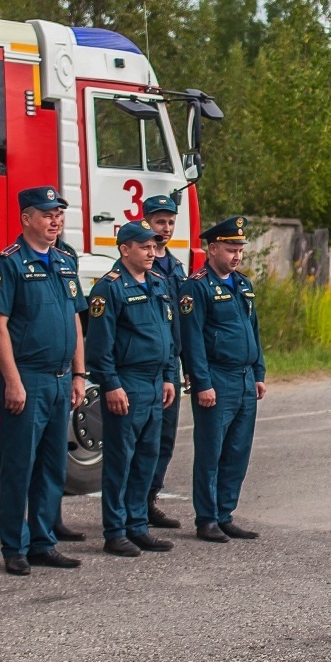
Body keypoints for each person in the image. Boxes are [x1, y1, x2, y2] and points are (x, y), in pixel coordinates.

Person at [0, 187, 88, 576]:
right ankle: (15, 546)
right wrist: (12, 380)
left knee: (52, 466)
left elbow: (76, 320)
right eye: (47, 214)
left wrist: (79, 374)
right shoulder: (6, 264)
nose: (55, 220)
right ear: (27, 219)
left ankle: (44, 541)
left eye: (58, 213)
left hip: (60, 381)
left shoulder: (63, 262)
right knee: (18, 467)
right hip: (26, 379)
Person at [86, 219, 179, 557]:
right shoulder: (109, 288)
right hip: (128, 383)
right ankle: (115, 530)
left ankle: (138, 525)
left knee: (146, 458)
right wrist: (110, 385)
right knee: (120, 460)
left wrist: (170, 375)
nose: (152, 251)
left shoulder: (157, 283)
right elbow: (99, 345)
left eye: (154, 246)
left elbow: (168, 334)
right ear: (125, 249)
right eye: (144, 246)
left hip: (156, 383)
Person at [181, 216, 266, 544]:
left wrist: (258, 373)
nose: (237, 256)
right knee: (211, 451)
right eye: (231, 249)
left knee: (237, 450)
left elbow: (253, 330)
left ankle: (225, 514)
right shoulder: (196, 286)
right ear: (212, 248)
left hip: (244, 378)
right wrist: (202, 383)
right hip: (217, 378)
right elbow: (192, 340)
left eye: (240, 250)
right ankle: (207, 518)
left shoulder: (243, 284)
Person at [140, 194, 187, 530]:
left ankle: (150, 499)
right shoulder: (139, 263)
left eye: (170, 222)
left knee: (165, 437)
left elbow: (182, 320)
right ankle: (133, 505)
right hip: (145, 367)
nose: (166, 228)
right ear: (146, 223)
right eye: (160, 222)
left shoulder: (175, 266)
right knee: (142, 439)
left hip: (172, 364)